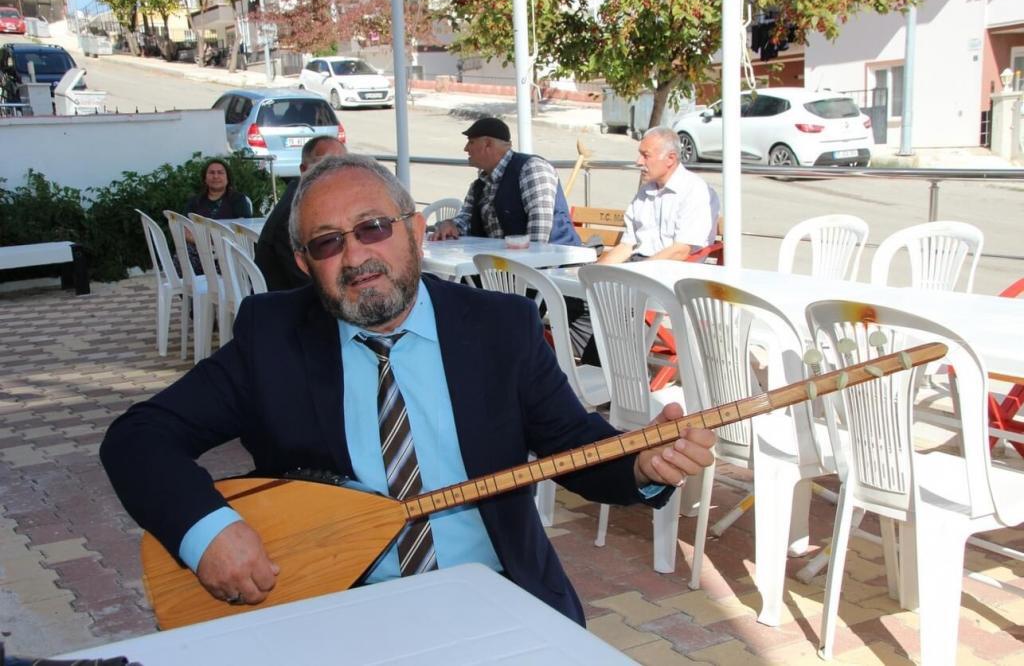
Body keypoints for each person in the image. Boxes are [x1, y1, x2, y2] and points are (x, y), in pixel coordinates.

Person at [100, 154, 715, 626]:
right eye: (327, 243)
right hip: (336, 608)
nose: (355, 257)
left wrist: (641, 463)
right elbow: (137, 438)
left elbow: (573, 445)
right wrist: (206, 530)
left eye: (373, 228)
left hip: (495, 592)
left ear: (416, 230)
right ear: (304, 263)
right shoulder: (273, 337)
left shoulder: (499, 329)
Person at [431, 117, 581, 246]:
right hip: (507, 264)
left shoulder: (531, 168)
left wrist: (523, 266)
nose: (466, 149)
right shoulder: (479, 185)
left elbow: (539, 232)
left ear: (488, 144)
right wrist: (450, 225)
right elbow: (467, 220)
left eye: (471, 142)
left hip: (556, 263)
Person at [598, 127, 719, 264]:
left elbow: (681, 251)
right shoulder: (645, 191)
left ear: (670, 159)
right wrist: (593, 272)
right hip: (639, 265)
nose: (639, 161)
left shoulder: (695, 191)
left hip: (671, 270)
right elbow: (627, 246)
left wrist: (636, 271)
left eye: (646, 155)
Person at [255, 136, 346, 291]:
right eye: (325, 164)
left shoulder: (301, 197)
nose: (335, 171)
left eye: (343, 164)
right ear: (304, 170)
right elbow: (308, 283)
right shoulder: (297, 213)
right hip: (289, 299)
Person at [182, 158, 253, 275]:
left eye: (220, 172)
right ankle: (193, 286)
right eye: (211, 173)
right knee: (183, 256)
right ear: (205, 178)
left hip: (228, 248)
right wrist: (205, 242)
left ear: (227, 178)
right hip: (198, 248)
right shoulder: (195, 201)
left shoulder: (238, 200)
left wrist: (216, 240)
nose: (216, 176)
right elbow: (185, 229)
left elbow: (243, 227)